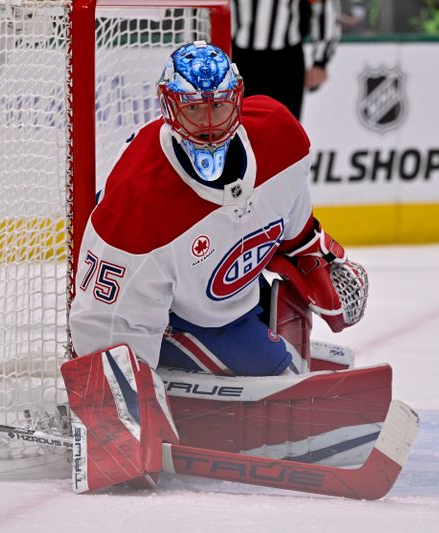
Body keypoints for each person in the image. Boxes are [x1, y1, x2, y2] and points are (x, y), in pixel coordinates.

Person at [68, 41, 367, 379]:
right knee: (273, 373)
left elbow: (290, 226)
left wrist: (315, 258)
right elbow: (106, 329)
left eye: (219, 106)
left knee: (292, 330)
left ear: (238, 100)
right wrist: (124, 410)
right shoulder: (139, 202)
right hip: (168, 314)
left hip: (233, 296)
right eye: (193, 109)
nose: (209, 124)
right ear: (169, 108)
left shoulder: (280, 136)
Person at [230, 0, 342, 119]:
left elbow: (323, 6)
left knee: (285, 127)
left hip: (285, 61)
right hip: (239, 58)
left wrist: (320, 61)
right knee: (237, 127)